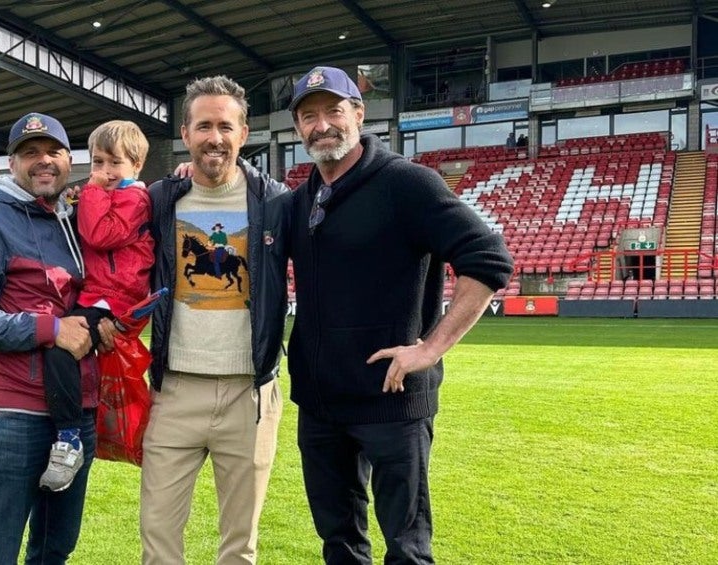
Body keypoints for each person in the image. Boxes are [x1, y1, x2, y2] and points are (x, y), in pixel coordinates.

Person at [286, 66, 514, 564]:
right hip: (321, 406)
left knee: (407, 551)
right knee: (339, 545)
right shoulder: (300, 200)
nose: (322, 125)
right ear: (298, 128)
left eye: (333, 111)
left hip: (392, 401)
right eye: (308, 116)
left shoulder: (407, 183)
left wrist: (430, 349)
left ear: (359, 115)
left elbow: (489, 258)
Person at [0, 112, 110, 564]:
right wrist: (51, 329)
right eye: (30, 153)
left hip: (75, 410)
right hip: (12, 412)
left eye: (53, 151)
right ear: (12, 162)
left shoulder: (73, 221)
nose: (43, 161)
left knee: (56, 546)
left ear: (67, 159)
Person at [142, 75, 291, 565]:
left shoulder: (276, 202)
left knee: (239, 546)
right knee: (158, 539)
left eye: (225, 126)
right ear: (185, 134)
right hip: (175, 390)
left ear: (243, 134)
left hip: (251, 394)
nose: (215, 138)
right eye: (203, 126)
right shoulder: (160, 199)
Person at [39, 119, 154, 492]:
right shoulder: (111, 194)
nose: (104, 173)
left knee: (60, 348)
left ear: (136, 166)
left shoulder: (135, 198)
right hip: (101, 295)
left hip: (116, 299)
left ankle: (69, 438)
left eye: (114, 164)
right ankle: (75, 431)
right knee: (67, 353)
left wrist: (88, 192)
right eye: (98, 163)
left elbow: (100, 235)